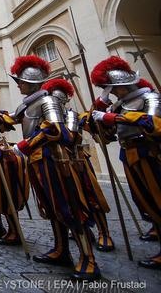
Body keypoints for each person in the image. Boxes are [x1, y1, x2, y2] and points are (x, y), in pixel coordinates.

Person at [0, 55, 100, 280]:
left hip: (54, 159)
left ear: (32, 83)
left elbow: (54, 130)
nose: (18, 84)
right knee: (51, 207)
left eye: (21, 82)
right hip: (37, 160)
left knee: (68, 206)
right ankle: (61, 250)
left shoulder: (48, 102)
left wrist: (24, 145)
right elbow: (9, 122)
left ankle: (87, 258)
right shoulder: (27, 103)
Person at [89, 56, 161, 270]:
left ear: (124, 86)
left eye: (113, 88)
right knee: (144, 199)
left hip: (150, 153)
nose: (112, 92)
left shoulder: (150, 98)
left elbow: (152, 124)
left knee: (158, 196)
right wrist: (101, 105)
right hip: (128, 153)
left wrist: (111, 118)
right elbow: (101, 130)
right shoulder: (120, 105)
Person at [43, 78, 113, 252]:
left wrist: (101, 103)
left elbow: (93, 123)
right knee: (68, 198)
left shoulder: (74, 116)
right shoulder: (47, 118)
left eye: (59, 100)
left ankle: (104, 233)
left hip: (78, 161)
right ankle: (82, 231)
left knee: (91, 196)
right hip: (59, 162)